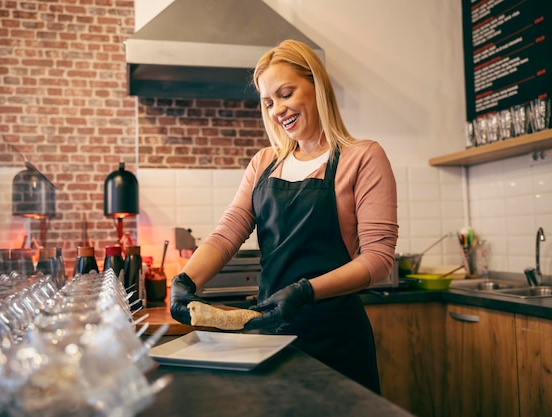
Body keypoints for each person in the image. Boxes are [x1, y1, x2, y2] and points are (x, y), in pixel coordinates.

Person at [170, 39, 398, 393]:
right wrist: (185, 281)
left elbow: (379, 259)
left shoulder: (362, 157)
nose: (277, 109)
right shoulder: (264, 162)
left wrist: (304, 292)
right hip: (269, 336)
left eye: (286, 93)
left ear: (316, 85)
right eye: (268, 101)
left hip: (336, 340)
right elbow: (227, 234)